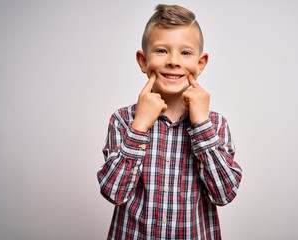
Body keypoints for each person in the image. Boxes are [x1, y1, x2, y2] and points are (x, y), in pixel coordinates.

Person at [97, 4, 242, 239]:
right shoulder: (123, 120)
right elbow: (114, 192)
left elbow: (224, 194)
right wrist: (140, 126)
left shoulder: (215, 124)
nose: (174, 61)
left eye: (185, 53)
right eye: (162, 51)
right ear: (143, 61)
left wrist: (201, 126)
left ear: (200, 63)